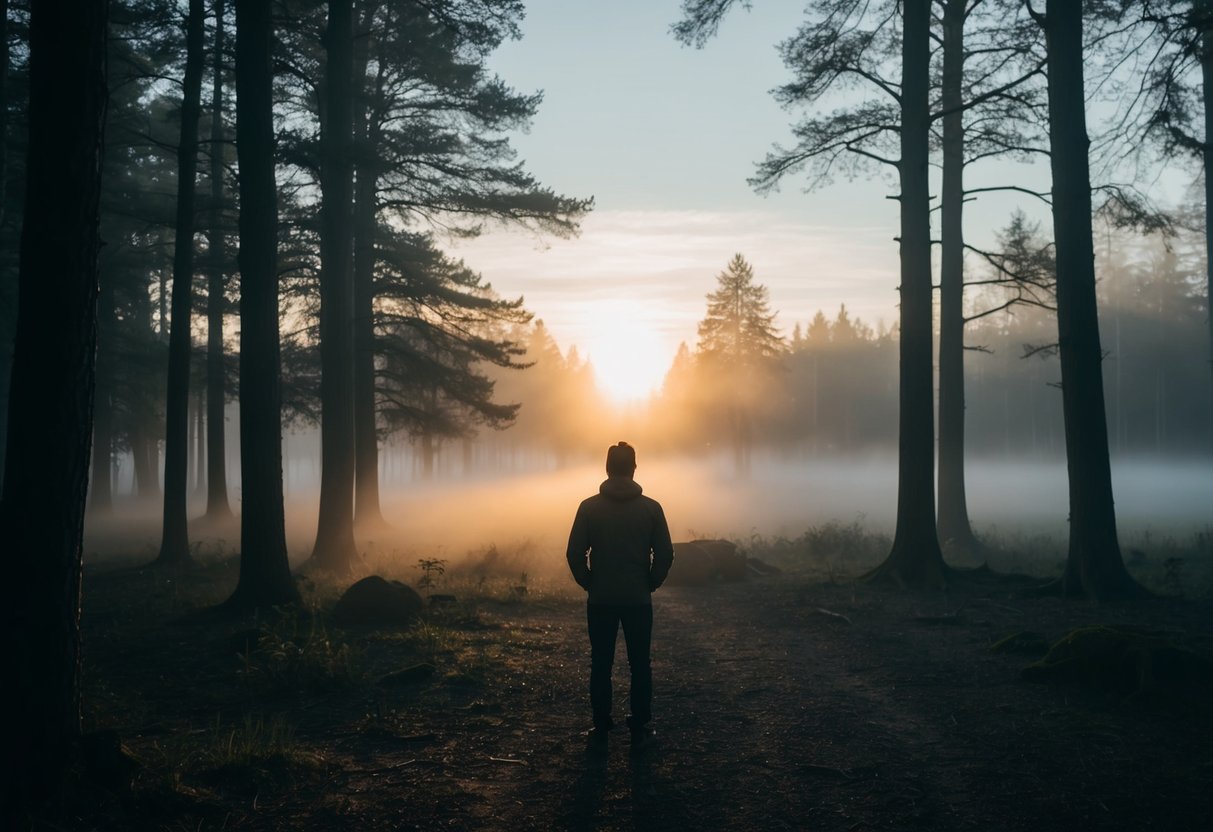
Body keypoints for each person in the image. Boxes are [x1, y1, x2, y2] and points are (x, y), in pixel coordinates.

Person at [566, 441, 674, 752]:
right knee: (640, 664)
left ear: (607, 468)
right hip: (638, 600)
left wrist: (589, 582)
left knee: (601, 663)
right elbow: (665, 553)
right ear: (634, 468)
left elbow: (574, 553)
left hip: (600, 600)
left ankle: (601, 726)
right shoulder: (651, 508)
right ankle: (639, 725)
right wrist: (650, 582)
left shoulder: (589, 507)